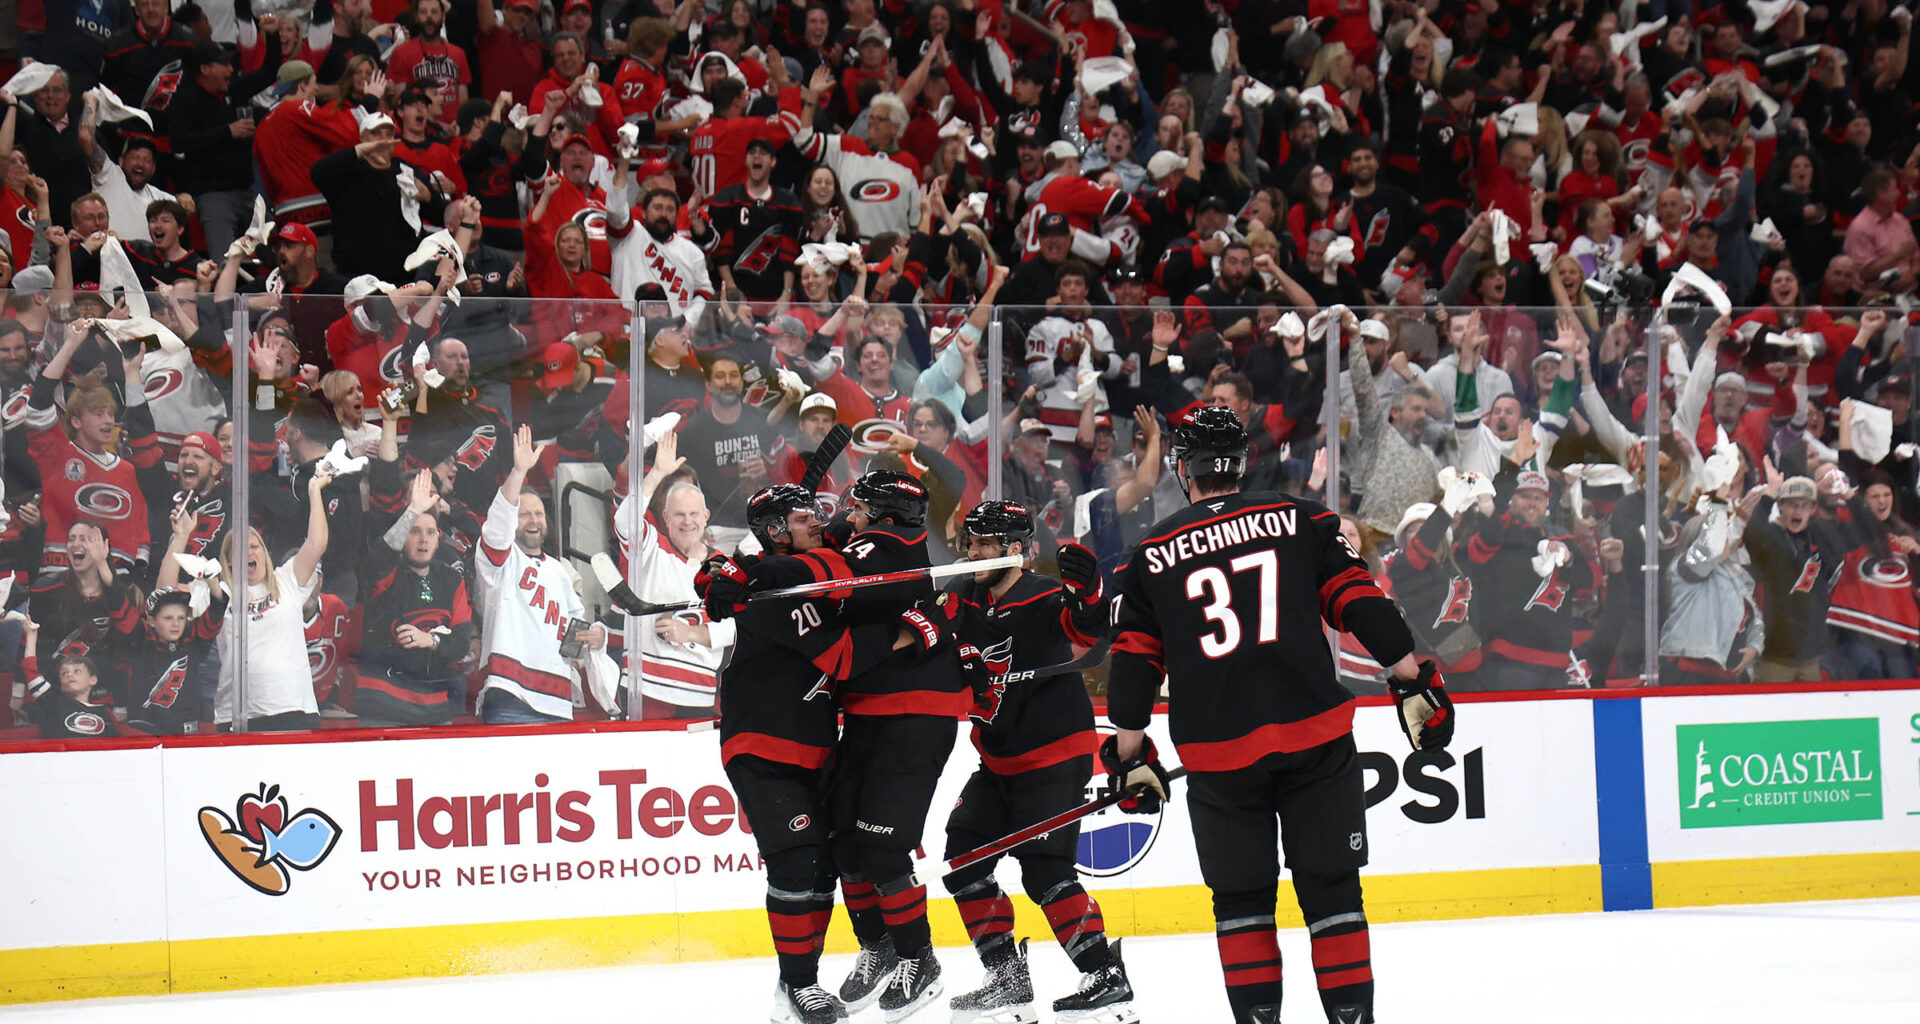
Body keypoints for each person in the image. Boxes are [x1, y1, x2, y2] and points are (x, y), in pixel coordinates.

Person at [1105, 405, 1452, 1024]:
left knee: (1241, 900)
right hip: (1313, 737)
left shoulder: (1151, 554)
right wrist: (1411, 680)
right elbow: (1361, 603)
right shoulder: (1302, 520)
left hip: (1219, 754)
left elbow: (1134, 666)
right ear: (1241, 463)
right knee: (1332, 890)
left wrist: (1130, 755)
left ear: (1183, 470)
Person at [703, 469, 965, 1020]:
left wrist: (733, 566)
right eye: (803, 519)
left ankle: (882, 950)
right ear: (775, 530)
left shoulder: (805, 567)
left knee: (837, 858)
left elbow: (839, 559)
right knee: (798, 865)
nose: (820, 522)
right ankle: (796, 986)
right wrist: (911, 631)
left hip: (822, 744)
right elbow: (843, 653)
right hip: (765, 744)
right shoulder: (781, 592)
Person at [940, 501, 1136, 1024]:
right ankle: (1005, 977)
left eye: (984, 545)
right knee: (962, 861)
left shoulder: (1044, 593)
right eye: (970, 544)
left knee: (1045, 869)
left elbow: (1088, 630)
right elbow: (934, 638)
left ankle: (1105, 976)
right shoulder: (962, 596)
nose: (973, 553)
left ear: (1016, 551)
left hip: (1054, 754)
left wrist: (1091, 591)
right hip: (998, 759)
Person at [474, 425, 606, 724]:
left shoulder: (560, 572)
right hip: (510, 695)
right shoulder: (500, 563)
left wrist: (594, 637)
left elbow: (573, 642)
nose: (533, 520)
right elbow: (497, 526)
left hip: (557, 701)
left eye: (538, 513)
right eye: (524, 514)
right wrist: (519, 471)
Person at [213, 465, 338, 732]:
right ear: (228, 561)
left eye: (254, 545)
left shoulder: (286, 580)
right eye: (239, 549)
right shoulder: (221, 592)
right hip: (237, 715)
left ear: (265, 552)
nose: (249, 552)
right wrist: (179, 538)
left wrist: (315, 491)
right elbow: (165, 591)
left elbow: (317, 543)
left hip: (292, 708)